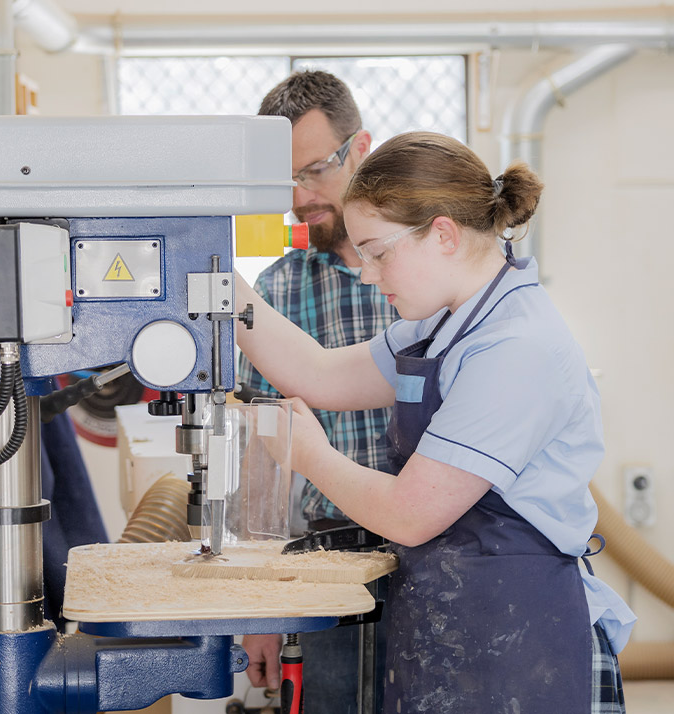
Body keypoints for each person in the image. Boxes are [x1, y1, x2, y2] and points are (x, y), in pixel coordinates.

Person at [236, 132, 635, 712]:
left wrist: (312, 456)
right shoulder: (447, 325)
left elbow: (411, 513)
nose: (369, 275)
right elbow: (316, 373)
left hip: (522, 646)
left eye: (377, 251)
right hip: (457, 625)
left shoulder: (515, 346)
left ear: (443, 233)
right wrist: (218, 279)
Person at [238, 70, 396, 713]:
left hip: (441, 561)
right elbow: (258, 453)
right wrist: (262, 603)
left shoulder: (431, 278)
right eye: (286, 182)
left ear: (360, 149)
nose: (300, 199)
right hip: (322, 565)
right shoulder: (276, 292)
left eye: (314, 171)